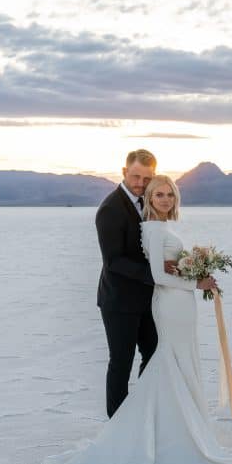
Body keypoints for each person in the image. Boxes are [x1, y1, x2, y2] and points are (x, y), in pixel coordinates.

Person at [42, 174, 232, 464]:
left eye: (170, 195)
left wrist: (191, 267)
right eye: (159, 195)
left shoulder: (159, 227)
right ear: (150, 199)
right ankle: (152, 433)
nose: (165, 200)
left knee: (177, 364)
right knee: (169, 363)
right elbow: (158, 275)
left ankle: (180, 429)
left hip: (179, 303)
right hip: (171, 304)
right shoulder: (152, 229)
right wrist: (197, 280)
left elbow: (165, 268)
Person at [92, 149, 177, 418]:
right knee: (121, 363)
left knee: (153, 355)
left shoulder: (148, 204)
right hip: (119, 301)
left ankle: (142, 412)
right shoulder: (110, 209)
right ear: (124, 172)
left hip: (147, 299)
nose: (140, 183)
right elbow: (114, 261)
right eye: (135, 176)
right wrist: (157, 272)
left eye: (146, 178)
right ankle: (118, 425)